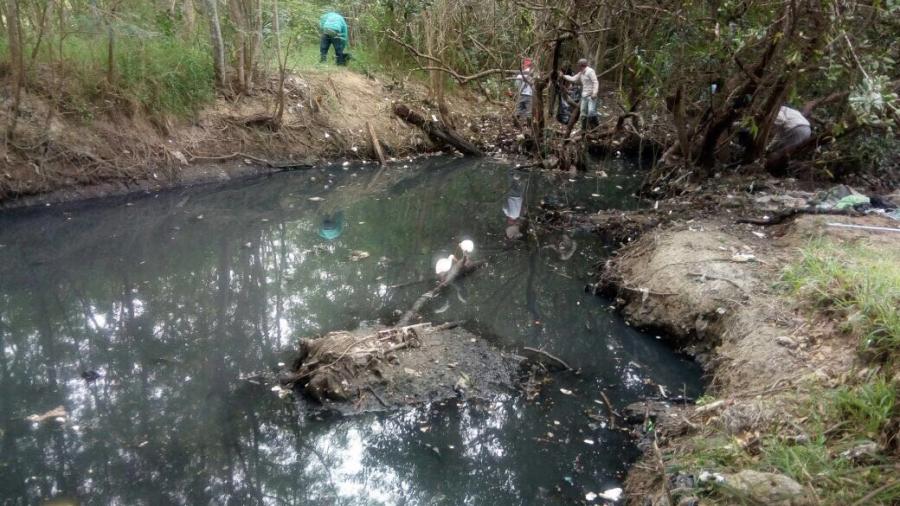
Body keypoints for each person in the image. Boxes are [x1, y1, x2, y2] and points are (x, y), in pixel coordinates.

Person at [560, 58, 599, 129]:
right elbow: (573, 78)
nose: (578, 67)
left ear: (581, 65)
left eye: (578, 65)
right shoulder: (581, 73)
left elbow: (595, 82)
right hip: (584, 96)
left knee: (591, 112)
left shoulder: (590, 71)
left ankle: (596, 127)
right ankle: (583, 129)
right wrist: (563, 76)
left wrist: (595, 93)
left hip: (591, 96)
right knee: (583, 114)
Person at [513, 59, 534, 126]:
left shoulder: (520, 74)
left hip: (521, 94)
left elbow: (516, 85)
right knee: (529, 111)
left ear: (524, 65)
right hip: (530, 95)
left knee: (518, 110)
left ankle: (516, 124)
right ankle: (529, 126)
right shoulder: (534, 74)